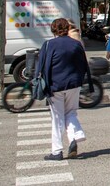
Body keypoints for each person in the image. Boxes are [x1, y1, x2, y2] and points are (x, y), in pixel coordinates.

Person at [36, 17, 89, 161]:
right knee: (71, 112)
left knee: (57, 117)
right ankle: (75, 136)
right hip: (74, 84)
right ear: (67, 29)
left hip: (55, 85)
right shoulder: (76, 44)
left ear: (53, 30)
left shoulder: (49, 45)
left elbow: (41, 66)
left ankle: (57, 151)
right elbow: (83, 64)